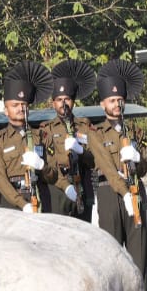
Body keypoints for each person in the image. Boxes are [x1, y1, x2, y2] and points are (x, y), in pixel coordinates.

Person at [85, 59, 147, 288]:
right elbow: (108, 168)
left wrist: (137, 158)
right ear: (103, 104)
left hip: (136, 190)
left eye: (120, 100)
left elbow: (144, 169)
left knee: (138, 257)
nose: (117, 104)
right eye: (112, 100)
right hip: (110, 195)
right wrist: (124, 194)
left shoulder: (135, 131)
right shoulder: (96, 133)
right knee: (112, 257)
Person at [0, 61, 51, 212]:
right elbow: (0, 181)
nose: (20, 108)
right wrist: (22, 204)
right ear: (6, 110)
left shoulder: (42, 136)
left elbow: (53, 173)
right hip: (13, 205)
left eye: (24, 104)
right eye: (15, 105)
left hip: (41, 198)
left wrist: (42, 166)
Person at [38, 60, 97, 220]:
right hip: (57, 189)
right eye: (59, 99)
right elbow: (46, 164)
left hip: (82, 185)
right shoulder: (46, 129)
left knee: (83, 231)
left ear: (73, 102)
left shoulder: (85, 126)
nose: (63, 103)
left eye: (67, 99)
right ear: (53, 103)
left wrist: (81, 151)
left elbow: (95, 160)